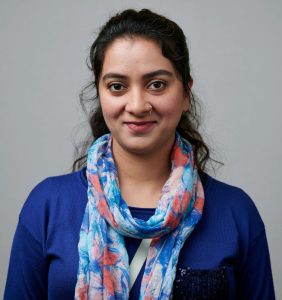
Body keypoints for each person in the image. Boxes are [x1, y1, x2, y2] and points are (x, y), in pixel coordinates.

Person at [4, 8, 275, 300]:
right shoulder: (47, 207)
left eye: (157, 84)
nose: (136, 105)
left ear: (185, 93)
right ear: (100, 94)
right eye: (117, 86)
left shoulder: (235, 213)